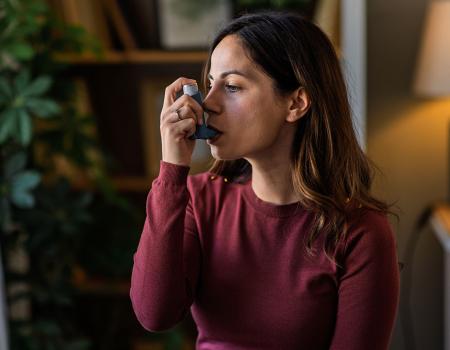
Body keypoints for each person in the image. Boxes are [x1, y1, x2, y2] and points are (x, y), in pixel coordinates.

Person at [130, 11, 400, 350]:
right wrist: (172, 171)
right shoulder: (200, 200)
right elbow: (154, 314)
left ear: (296, 103)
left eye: (231, 87)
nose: (208, 104)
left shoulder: (360, 232)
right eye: (210, 83)